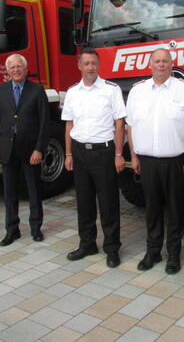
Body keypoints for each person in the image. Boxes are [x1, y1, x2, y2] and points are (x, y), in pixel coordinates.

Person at [126, 48, 184, 274]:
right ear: (150, 64)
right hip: (147, 161)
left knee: (176, 209)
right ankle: (153, 251)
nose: (161, 65)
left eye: (165, 61)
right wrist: (134, 156)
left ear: (171, 64)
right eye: (157, 61)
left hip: (174, 160)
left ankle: (174, 254)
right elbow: (131, 126)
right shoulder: (138, 91)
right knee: (152, 208)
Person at [62, 47, 126, 268]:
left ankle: (112, 248)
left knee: (108, 202)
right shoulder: (72, 92)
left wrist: (119, 154)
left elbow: (120, 123)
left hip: (104, 152)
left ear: (99, 66)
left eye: (94, 64)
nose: (90, 67)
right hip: (79, 153)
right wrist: (68, 153)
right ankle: (87, 243)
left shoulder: (111, 90)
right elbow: (69, 124)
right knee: (84, 202)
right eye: (86, 63)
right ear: (79, 66)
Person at [0, 54, 50, 246]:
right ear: (7, 70)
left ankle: (35, 228)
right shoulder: (0, 90)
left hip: (30, 150)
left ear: (25, 68)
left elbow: (44, 122)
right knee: (9, 193)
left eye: (19, 67)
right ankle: (12, 230)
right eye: (12, 67)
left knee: (33, 190)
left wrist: (39, 149)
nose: (16, 70)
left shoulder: (37, 90)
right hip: (7, 149)